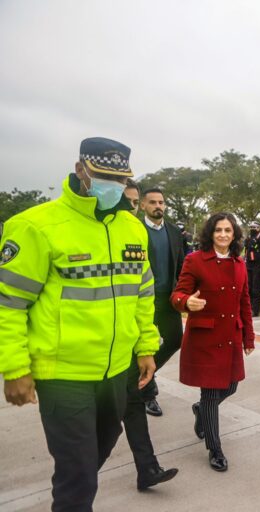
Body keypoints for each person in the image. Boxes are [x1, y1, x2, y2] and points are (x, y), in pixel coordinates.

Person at [0, 137, 160, 511]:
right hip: (63, 374)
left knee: (96, 452)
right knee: (79, 476)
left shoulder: (131, 227)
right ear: (81, 170)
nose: (113, 187)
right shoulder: (35, 226)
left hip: (116, 370)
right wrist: (14, 368)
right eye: (103, 176)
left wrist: (146, 346)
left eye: (120, 180)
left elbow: (143, 293)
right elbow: (9, 305)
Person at [171, 212, 255, 471]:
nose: (223, 235)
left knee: (230, 387)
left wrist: (248, 337)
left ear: (234, 235)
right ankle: (215, 449)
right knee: (210, 393)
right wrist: (186, 302)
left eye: (228, 231)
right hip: (205, 338)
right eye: (218, 230)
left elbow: (245, 301)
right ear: (210, 233)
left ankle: (200, 411)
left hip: (230, 336)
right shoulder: (195, 260)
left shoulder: (239, 263)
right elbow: (178, 294)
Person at [137, 188, 186, 417]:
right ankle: (148, 394)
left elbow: (182, 264)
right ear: (143, 206)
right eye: (153, 202)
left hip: (168, 298)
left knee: (176, 339)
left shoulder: (175, 232)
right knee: (141, 345)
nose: (158, 206)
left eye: (161, 202)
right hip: (141, 299)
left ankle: (148, 372)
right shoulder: (134, 230)